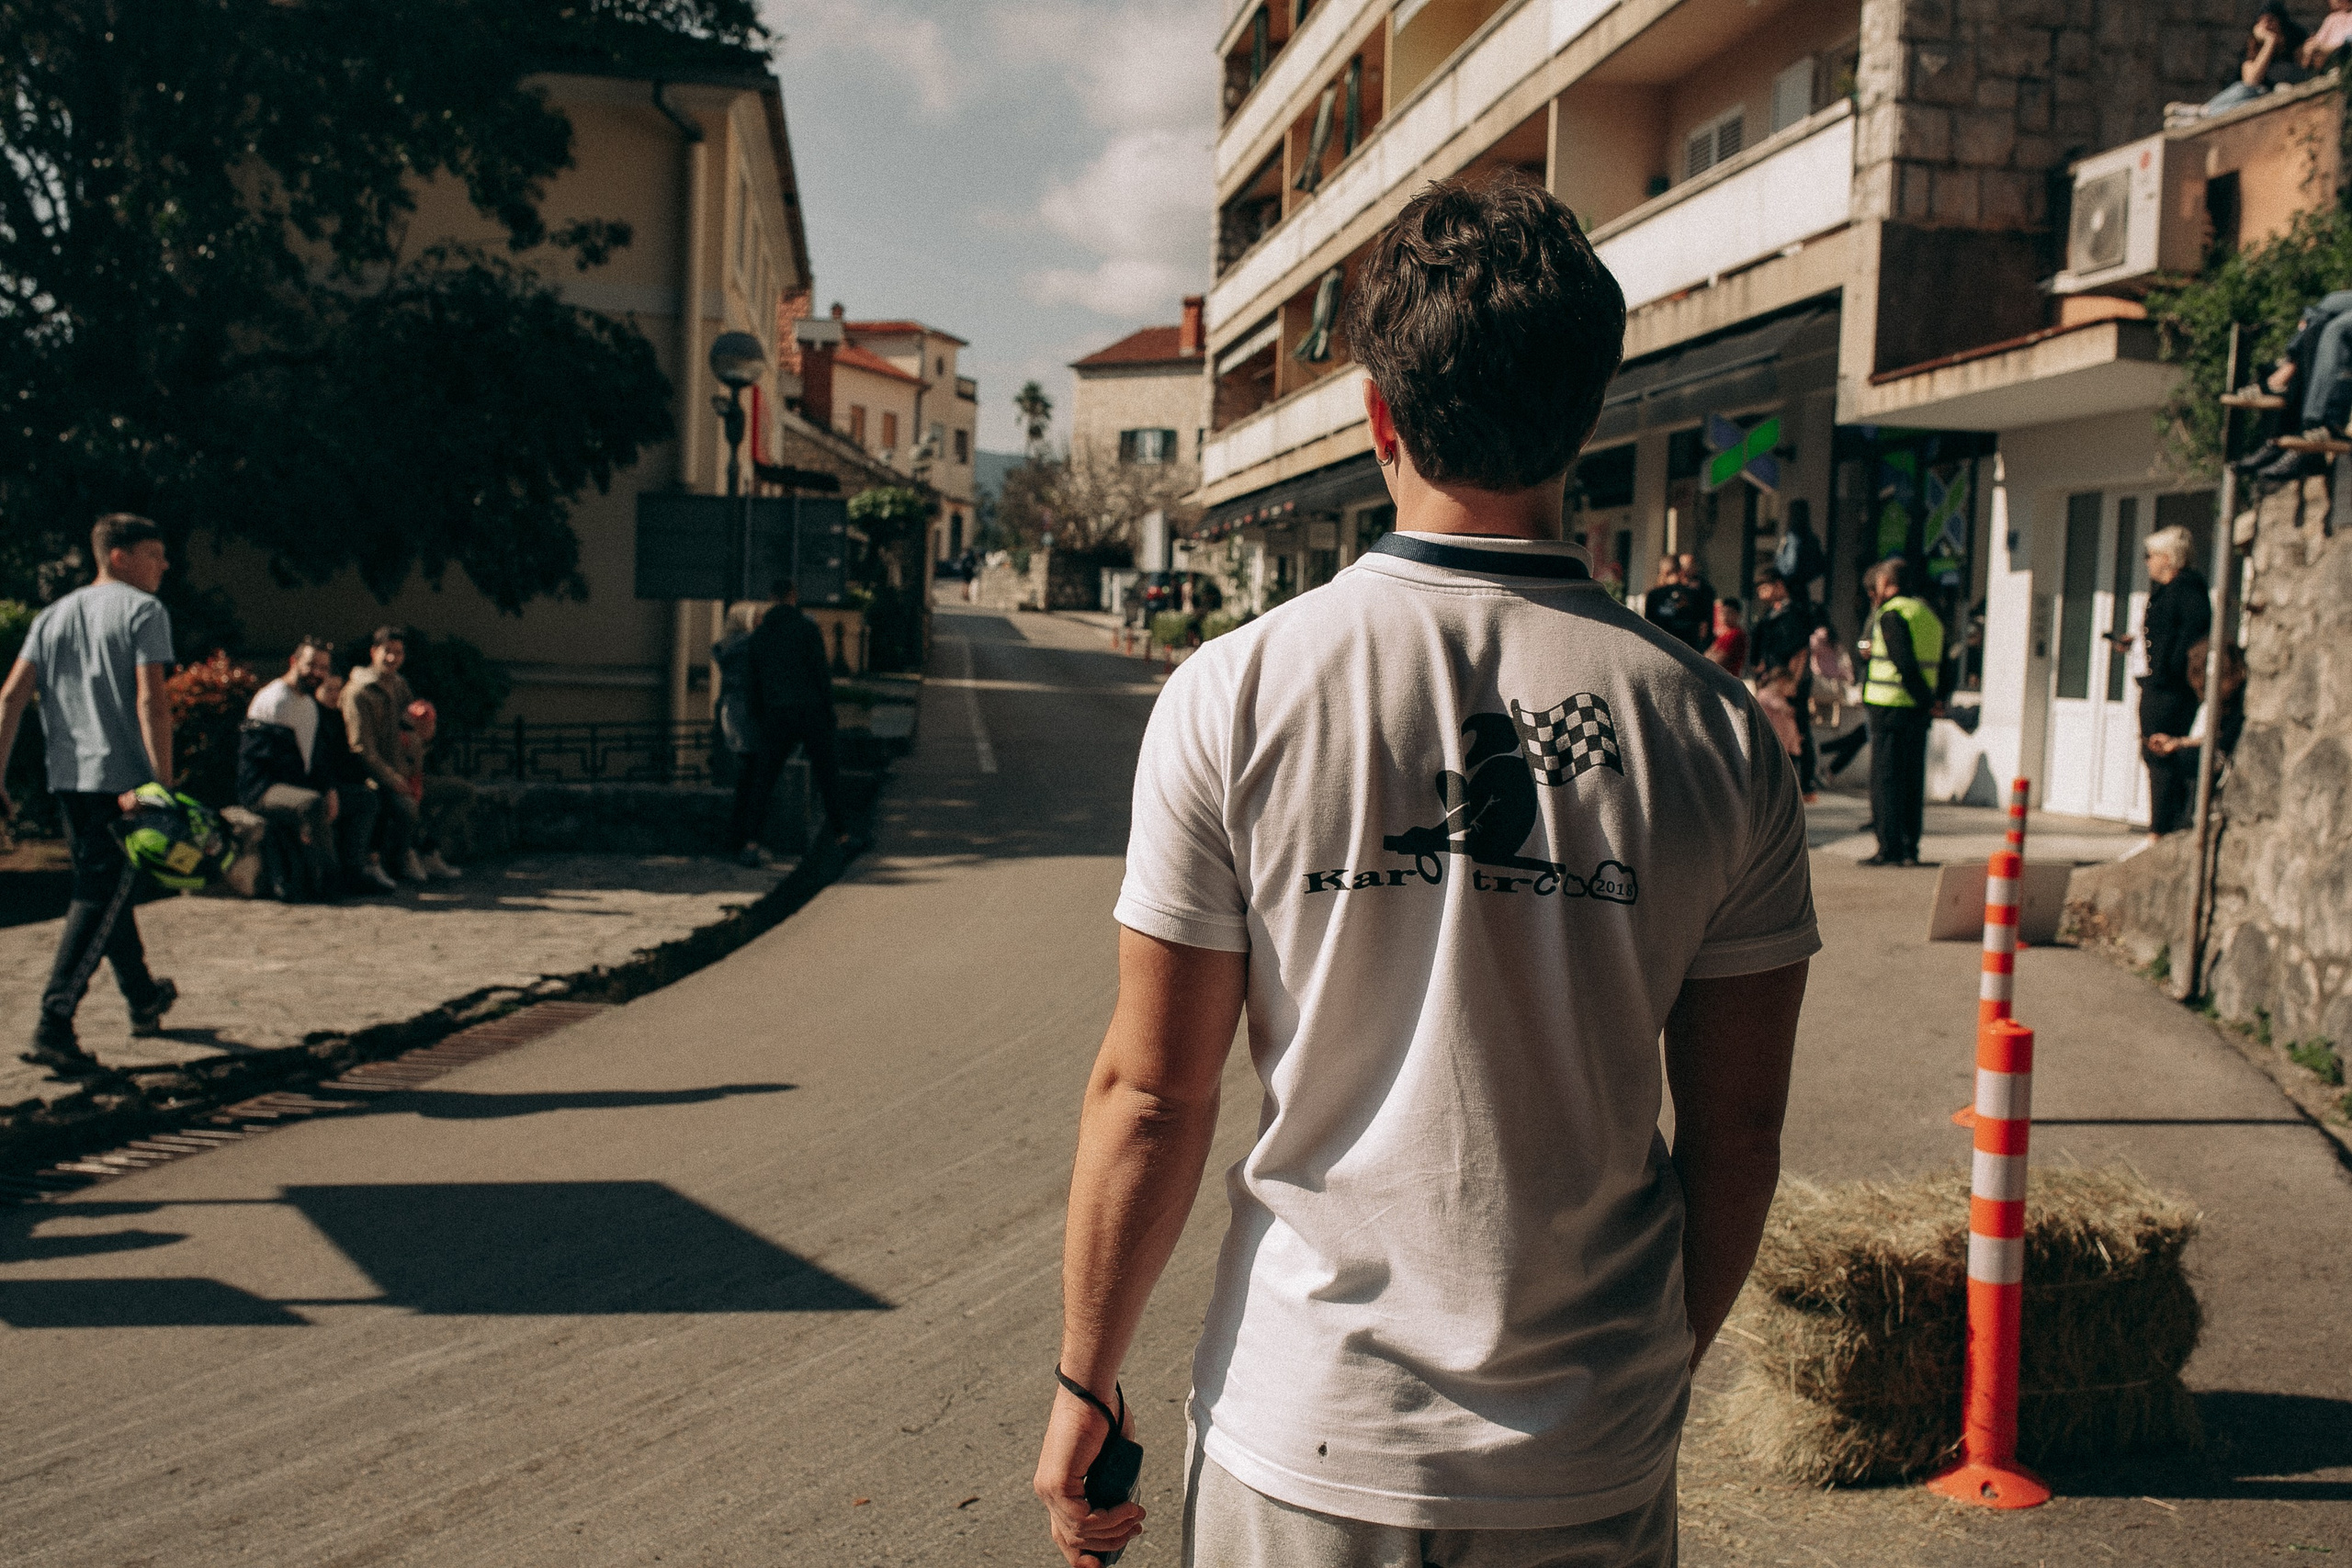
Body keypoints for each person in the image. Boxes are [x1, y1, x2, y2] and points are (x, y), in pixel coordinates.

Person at [1032, 176, 1815, 1568]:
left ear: (1379, 417)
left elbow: (1156, 1090)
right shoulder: (1718, 733)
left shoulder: (1238, 692)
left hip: (1307, 1435)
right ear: (1586, 416)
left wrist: (1086, 1377)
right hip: (1587, 1455)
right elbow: (1738, 1132)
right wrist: (1635, 1380)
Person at [0, 513, 183, 1077]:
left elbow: (10, 697)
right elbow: (151, 700)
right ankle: (54, 1022)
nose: (165, 565)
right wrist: (162, 785)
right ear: (119, 556)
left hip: (69, 779)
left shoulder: (51, 616)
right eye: (155, 554)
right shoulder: (145, 611)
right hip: (123, 784)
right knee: (99, 892)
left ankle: (143, 996)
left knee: (108, 887)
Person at [737, 578, 846, 863]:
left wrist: (759, 715)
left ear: (772, 598)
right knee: (828, 775)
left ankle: (750, 843)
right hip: (811, 711)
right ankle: (842, 837)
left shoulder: (759, 636)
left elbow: (752, 683)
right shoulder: (807, 629)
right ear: (793, 597)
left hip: (776, 713)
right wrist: (829, 712)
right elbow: (821, 673)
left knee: (764, 779)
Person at [2120, 525, 2211, 839]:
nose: (2147, 562)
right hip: (2158, 685)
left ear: (2169, 558)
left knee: (2161, 750)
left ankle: (2162, 829)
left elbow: (2186, 640)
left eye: (2152, 555)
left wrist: (2164, 674)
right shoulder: (2167, 591)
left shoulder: (2186, 591)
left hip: (2170, 690)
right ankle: (2161, 826)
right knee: (2153, 752)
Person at [237, 637, 341, 901]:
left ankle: (356, 869)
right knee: (311, 804)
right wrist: (315, 794)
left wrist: (330, 788)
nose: (317, 673)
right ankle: (330, 881)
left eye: (323, 668)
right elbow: (278, 764)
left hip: (294, 783)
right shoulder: (275, 701)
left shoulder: (308, 704)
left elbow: (316, 757)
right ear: (294, 662)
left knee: (363, 800)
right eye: (311, 665)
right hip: (263, 788)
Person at [1856, 558, 1943, 865]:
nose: (1874, 589)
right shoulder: (1927, 613)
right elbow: (1938, 663)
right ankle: (1909, 846)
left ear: (1889, 583)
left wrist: (1922, 698)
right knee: (1911, 780)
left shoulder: (1892, 614)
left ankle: (1889, 848)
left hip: (1890, 707)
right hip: (1916, 712)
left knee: (1886, 780)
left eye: (1878, 582)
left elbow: (1903, 662)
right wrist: (1932, 700)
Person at [313, 667, 395, 893]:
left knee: (378, 794)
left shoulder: (337, 717)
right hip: (322, 784)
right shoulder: (314, 716)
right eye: (328, 689)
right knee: (365, 801)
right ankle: (354, 871)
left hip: (340, 781)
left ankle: (371, 863)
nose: (335, 695)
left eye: (338, 689)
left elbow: (349, 757)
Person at [1750, 565, 1825, 795]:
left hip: (1789, 682)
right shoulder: (1770, 615)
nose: (1762, 594)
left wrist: (1793, 683)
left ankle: (1804, 783)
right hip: (1771, 680)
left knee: (1797, 729)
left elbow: (1800, 651)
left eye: (1765, 588)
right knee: (1775, 730)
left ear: (1779, 586)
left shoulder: (1794, 614)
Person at [2200, 3, 2308, 116]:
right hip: (2246, 101)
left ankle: (2203, 113)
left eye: (2270, 20)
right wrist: (2269, 42)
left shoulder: (2294, 45)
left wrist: (2272, 41)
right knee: (2243, 90)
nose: (2266, 25)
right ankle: (2204, 112)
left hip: (2269, 104)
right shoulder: (2252, 50)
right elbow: (2251, 81)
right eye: (2261, 21)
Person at [714, 595, 766, 803]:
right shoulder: (749, 646)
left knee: (744, 764)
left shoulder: (730, 646)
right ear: (748, 620)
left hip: (732, 710)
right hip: (747, 710)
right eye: (758, 618)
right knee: (753, 765)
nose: (762, 622)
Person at [1641, 556, 1713, 652]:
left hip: (1660, 647)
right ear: (1681, 571)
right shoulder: (1693, 594)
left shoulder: (1653, 594)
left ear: (1663, 572)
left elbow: (1648, 623)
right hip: (1686, 650)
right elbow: (1702, 627)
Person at [1706, 595, 1748, 675]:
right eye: (1723, 612)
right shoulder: (1722, 635)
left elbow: (1716, 662)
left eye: (1729, 613)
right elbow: (1706, 656)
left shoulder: (1736, 634)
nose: (1725, 616)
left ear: (1738, 615)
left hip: (1727, 681)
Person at [2305, 0, 2352, 68]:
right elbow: (2318, 40)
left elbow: (2347, 42)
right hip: (2325, 59)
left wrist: (2325, 49)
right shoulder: (2332, 18)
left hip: (2341, 57)